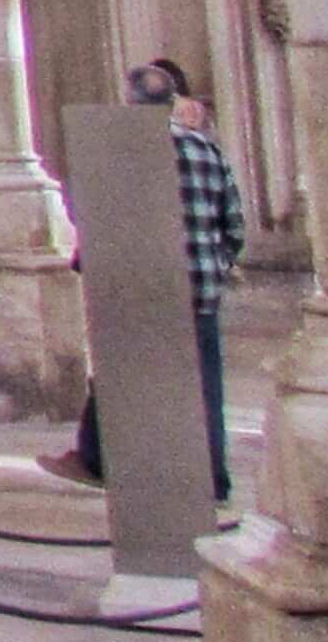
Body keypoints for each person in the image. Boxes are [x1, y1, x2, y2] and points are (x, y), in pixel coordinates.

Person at [41, 62, 246, 503]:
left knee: (117, 376)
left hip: (139, 284)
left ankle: (96, 459)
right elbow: (234, 224)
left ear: (131, 103)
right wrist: (213, 265)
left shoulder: (117, 153)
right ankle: (213, 478)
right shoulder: (207, 152)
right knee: (204, 387)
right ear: (171, 102)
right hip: (200, 289)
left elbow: (88, 215)